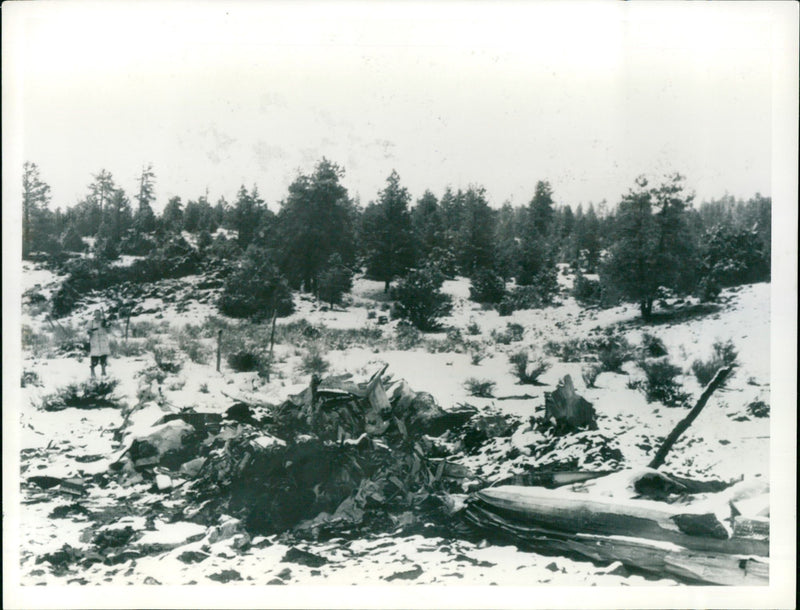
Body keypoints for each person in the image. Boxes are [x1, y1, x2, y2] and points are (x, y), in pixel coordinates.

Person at [87, 308, 111, 378]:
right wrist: (89, 331)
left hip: (103, 342)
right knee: (94, 359)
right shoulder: (91, 322)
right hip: (94, 342)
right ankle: (92, 372)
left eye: (99, 314)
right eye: (96, 314)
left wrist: (107, 323)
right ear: (94, 315)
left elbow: (108, 328)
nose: (98, 315)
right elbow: (86, 330)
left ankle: (103, 371)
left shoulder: (103, 321)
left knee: (103, 358)